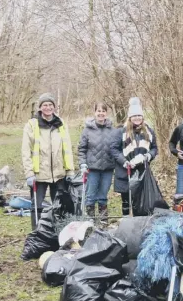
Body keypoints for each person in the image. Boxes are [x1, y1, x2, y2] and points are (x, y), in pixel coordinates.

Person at [22, 93, 74, 230]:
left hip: (59, 174)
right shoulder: (31, 125)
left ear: (54, 107)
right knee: (37, 206)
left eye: (50, 105)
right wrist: (29, 173)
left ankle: (58, 231)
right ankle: (37, 232)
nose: (48, 107)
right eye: (45, 105)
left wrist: (70, 170)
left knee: (59, 205)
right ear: (40, 108)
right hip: (38, 174)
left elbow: (67, 148)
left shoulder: (61, 124)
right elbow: (26, 151)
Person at [110, 97, 158, 216]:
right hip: (125, 170)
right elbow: (114, 149)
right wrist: (124, 161)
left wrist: (148, 156)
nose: (137, 118)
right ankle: (126, 220)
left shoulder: (149, 132)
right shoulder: (121, 132)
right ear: (130, 117)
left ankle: (139, 220)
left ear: (142, 117)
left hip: (141, 171)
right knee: (126, 200)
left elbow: (154, 148)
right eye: (134, 116)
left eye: (139, 115)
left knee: (140, 199)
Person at [78, 102, 115, 220]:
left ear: (106, 113)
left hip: (108, 168)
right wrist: (83, 163)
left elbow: (116, 148)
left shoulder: (112, 130)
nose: (101, 113)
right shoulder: (87, 130)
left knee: (103, 195)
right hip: (92, 169)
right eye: (98, 111)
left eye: (103, 111)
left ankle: (103, 221)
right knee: (91, 195)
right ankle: (91, 221)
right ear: (94, 113)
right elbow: (82, 149)